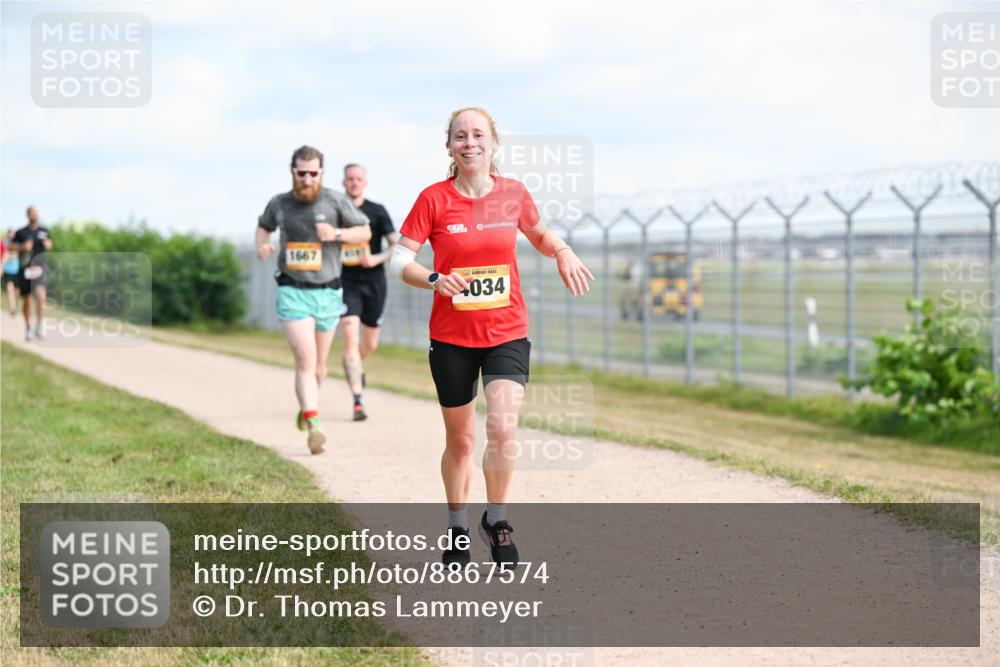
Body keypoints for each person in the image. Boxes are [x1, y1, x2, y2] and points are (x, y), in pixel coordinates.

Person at [389, 108, 594, 569]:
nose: (470, 142)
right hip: (451, 337)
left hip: (506, 331)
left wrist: (561, 250)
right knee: (460, 441)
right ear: (449, 147)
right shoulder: (433, 199)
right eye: (460, 136)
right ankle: (458, 526)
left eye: (478, 134)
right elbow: (397, 260)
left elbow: (539, 234)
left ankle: (496, 521)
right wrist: (434, 278)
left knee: (502, 427)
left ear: (493, 143)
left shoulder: (513, 194)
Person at [256, 146, 372, 454]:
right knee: (306, 361)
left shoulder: (335, 201)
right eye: (301, 172)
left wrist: (334, 234)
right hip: (292, 292)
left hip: (328, 294)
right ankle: (314, 425)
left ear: (321, 173)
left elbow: (364, 232)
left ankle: (307, 407)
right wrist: (263, 246)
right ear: (292, 171)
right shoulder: (280, 203)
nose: (307, 178)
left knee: (320, 366)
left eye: (313, 173)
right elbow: (263, 226)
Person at [339, 163, 399, 421]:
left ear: (365, 182)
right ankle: (357, 400)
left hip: (374, 282)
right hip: (345, 282)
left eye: (358, 179)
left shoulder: (377, 211)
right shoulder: (335, 211)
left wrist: (376, 259)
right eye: (349, 179)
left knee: (370, 343)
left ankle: (355, 364)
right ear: (344, 183)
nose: (354, 183)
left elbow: (396, 246)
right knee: (350, 338)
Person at [12, 207, 53, 340]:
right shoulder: (21, 232)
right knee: (28, 300)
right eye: (31, 213)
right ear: (27, 215)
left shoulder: (44, 230)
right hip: (25, 269)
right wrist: (22, 247)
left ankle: (40, 324)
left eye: (35, 213)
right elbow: (11, 246)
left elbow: (50, 244)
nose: (33, 215)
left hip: (40, 267)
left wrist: (48, 244)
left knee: (41, 296)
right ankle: (28, 327)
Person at [2, 229, 19, 317]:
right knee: (9, 289)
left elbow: (15, 254)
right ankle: (12, 308)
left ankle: (15, 306)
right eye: (9, 235)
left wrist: (9, 255)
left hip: (17, 270)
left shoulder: (17, 243)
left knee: (16, 291)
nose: (10, 236)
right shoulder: (4, 243)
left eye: (12, 235)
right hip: (7, 270)